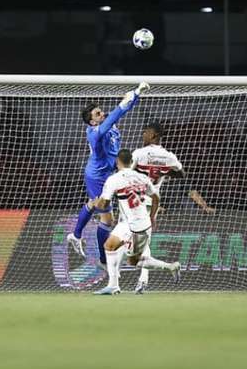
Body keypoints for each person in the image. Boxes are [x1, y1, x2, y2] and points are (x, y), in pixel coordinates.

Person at [67, 82, 148, 268]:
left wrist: (133, 96)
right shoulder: (95, 133)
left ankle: (79, 237)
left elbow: (119, 112)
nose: (102, 114)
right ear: (92, 122)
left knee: (105, 216)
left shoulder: (105, 124)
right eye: (97, 114)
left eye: (101, 111)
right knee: (105, 216)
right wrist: (131, 96)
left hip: (108, 173)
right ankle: (101, 256)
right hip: (97, 176)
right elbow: (114, 116)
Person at [90, 149, 180, 295]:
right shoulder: (142, 177)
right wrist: (153, 216)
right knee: (109, 245)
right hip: (134, 222)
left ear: (117, 162)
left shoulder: (114, 179)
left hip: (137, 227)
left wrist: (94, 204)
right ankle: (113, 285)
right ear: (132, 162)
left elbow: (104, 205)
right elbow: (156, 197)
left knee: (134, 261)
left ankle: (170, 267)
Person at [130, 120, 184, 293]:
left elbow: (126, 173)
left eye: (145, 132)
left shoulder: (138, 153)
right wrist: (164, 172)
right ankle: (143, 281)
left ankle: (135, 280)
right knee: (143, 243)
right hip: (151, 203)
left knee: (130, 245)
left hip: (135, 202)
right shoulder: (169, 156)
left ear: (153, 134)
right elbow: (181, 173)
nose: (143, 134)